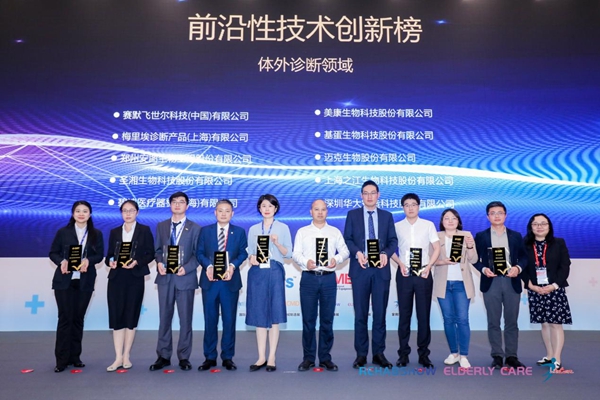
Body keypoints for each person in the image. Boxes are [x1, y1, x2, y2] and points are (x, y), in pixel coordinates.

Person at [343, 180, 398, 369]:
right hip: (361, 269)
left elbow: (393, 241)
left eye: (372, 193)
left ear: (378, 195)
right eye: (365, 193)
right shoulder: (352, 215)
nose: (369, 196)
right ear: (361, 196)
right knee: (360, 314)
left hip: (381, 270)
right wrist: (357, 252)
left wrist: (385, 254)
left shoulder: (387, 216)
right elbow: (347, 239)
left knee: (380, 314)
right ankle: (361, 354)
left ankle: (378, 353)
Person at [293, 199, 350, 372]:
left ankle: (325, 358)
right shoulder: (302, 232)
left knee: (327, 320)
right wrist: (306, 262)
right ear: (310, 211)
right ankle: (308, 358)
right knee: (308, 321)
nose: (320, 212)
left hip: (328, 279)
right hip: (309, 278)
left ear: (327, 212)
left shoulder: (334, 232)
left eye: (323, 209)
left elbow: (345, 251)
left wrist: (336, 259)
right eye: (316, 209)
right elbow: (295, 254)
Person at [48, 200, 104, 373]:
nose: (81, 214)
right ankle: (61, 360)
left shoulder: (96, 234)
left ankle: (75, 357)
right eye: (78, 211)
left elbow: (99, 256)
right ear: (73, 213)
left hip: (85, 281)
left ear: (90, 214)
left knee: (78, 319)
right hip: (64, 281)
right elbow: (53, 253)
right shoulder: (63, 232)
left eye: (85, 211)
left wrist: (88, 260)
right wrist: (62, 261)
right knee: (65, 318)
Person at [149, 192, 201, 371]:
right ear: (170, 205)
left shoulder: (195, 228)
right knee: (164, 318)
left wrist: (186, 268)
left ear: (187, 206)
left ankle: (184, 357)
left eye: (181, 202)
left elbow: (197, 255)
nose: (177, 204)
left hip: (185, 278)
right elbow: (157, 250)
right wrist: (159, 263)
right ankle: (163, 356)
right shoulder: (162, 226)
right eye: (174, 202)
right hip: (165, 278)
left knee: (185, 319)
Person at [473, 201, 527, 369]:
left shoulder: (516, 235)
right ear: (487, 216)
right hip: (491, 282)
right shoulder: (481, 236)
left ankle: (511, 356)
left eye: (500, 213)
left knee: (511, 322)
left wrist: (518, 268)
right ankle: (497, 355)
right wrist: (483, 270)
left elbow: (524, 257)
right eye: (493, 213)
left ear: (505, 215)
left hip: (511, 281)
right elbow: (474, 259)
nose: (496, 216)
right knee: (493, 321)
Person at [196, 199, 248, 372]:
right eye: (220, 210)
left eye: (227, 211)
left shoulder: (239, 232)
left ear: (232, 213)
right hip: (210, 282)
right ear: (215, 213)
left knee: (229, 321)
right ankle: (209, 357)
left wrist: (232, 266)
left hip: (229, 282)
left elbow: (243, 253)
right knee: (210, 321)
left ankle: (227, 357)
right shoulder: (205, 231)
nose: (223, 213)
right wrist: (209, 266)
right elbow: (199, 253)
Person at [391, 193, 440, 369]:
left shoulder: (428, 225)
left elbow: (436, 248)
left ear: (419, 206)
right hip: (404, 274)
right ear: (403, 207)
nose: (410, 208)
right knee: (404, 316)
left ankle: (424, 355)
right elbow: (389, 248)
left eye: (413, 204)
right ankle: (403, 354)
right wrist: (400, 263)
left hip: (423, 275)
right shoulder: (396, 226)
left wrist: (429, 266)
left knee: (423, 316)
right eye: (406, 205)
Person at [104, 200, 155, 371]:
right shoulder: (114, 232)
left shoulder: (144, 230)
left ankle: (126, 355)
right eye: (124, 211)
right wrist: (110, 262)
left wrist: (137, 261)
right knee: (117, 316)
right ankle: (117, 357)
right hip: (116, 278)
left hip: (135, 278)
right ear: (121, 213)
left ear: (137, 212)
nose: (128, 214)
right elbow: (109, 255)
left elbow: (150, 253)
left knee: (131, 316)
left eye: (131, 210)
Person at [246, 194, 293, 372]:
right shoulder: (253, 229)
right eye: (263, 206)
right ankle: (261, 357)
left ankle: (272, 356)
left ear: (275, 208)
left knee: (274, 315)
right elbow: (250, 252)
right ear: (259, 208)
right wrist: (251, 258)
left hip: (274, 270)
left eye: (270, 206)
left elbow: (288, 253)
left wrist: (277, 243)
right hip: (258, 272)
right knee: (259, 314)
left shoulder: (283, 227)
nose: (267, 209)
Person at [522, 213, 572, 372]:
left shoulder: (559, 243)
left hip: (554, 289)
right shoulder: (525, 244)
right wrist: (530, 285)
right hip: (535, 289)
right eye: (535, 224)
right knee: (544, 323)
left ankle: (557, 359)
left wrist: (555, 285)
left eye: (543, 223)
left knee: (555, 324)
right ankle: (549, 356)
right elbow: (521, 266)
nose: (539, 227)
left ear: (549, 226)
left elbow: (565, 266)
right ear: (531, 227)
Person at [432, 209, 478, 368]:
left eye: (454, 218)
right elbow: (430, 260)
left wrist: (470, 246)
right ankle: (454, 353)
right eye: (447, 218)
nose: (450, 221)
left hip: (461, 284)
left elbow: (474, 259)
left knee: (463, 319)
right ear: (442, 221)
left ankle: (464, 355)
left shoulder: (466, 235)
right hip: (443, 284)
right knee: (448, 319)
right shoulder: (436, 236)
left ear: (458, 221)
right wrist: (443, 261)